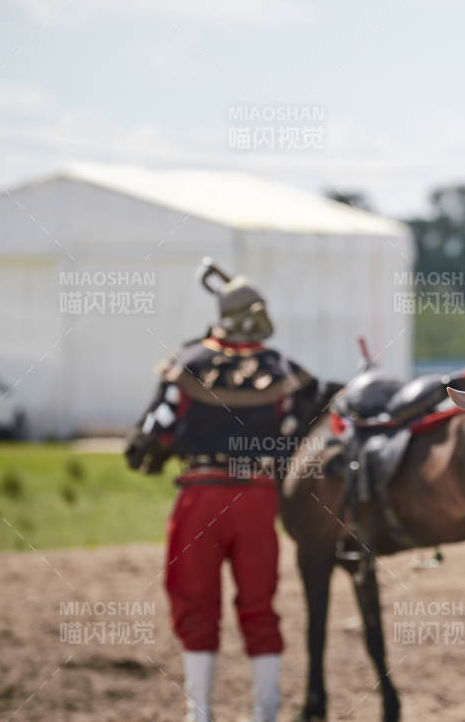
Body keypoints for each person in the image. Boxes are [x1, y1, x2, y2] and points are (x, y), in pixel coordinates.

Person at [125, 261, 311, 722]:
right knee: (258, 604)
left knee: (194, 600)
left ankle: (199, 713)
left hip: (200, 494)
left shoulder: (187, 361)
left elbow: (154, 433)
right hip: (257, 497)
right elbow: (298, 435)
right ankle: (265, 713)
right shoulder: (282, 368)